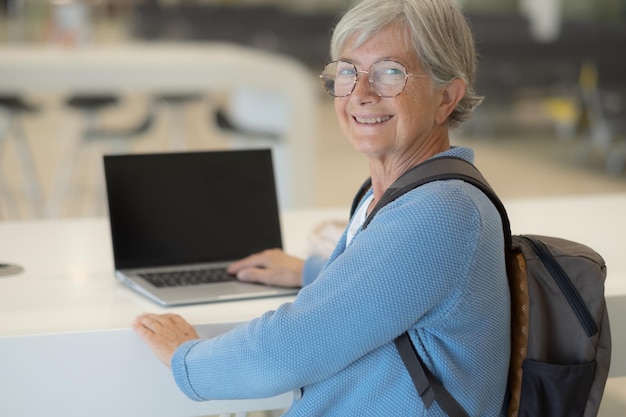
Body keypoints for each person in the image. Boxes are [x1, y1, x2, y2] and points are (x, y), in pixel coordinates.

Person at [132, 0, 511, 415]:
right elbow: (389, 287)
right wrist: (314, 271)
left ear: (446, 98)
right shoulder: (391, 194)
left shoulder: (442, 211)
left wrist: (185, 357)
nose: (361, 94)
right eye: (348, 71)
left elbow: (284, 353)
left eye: (390, 73)